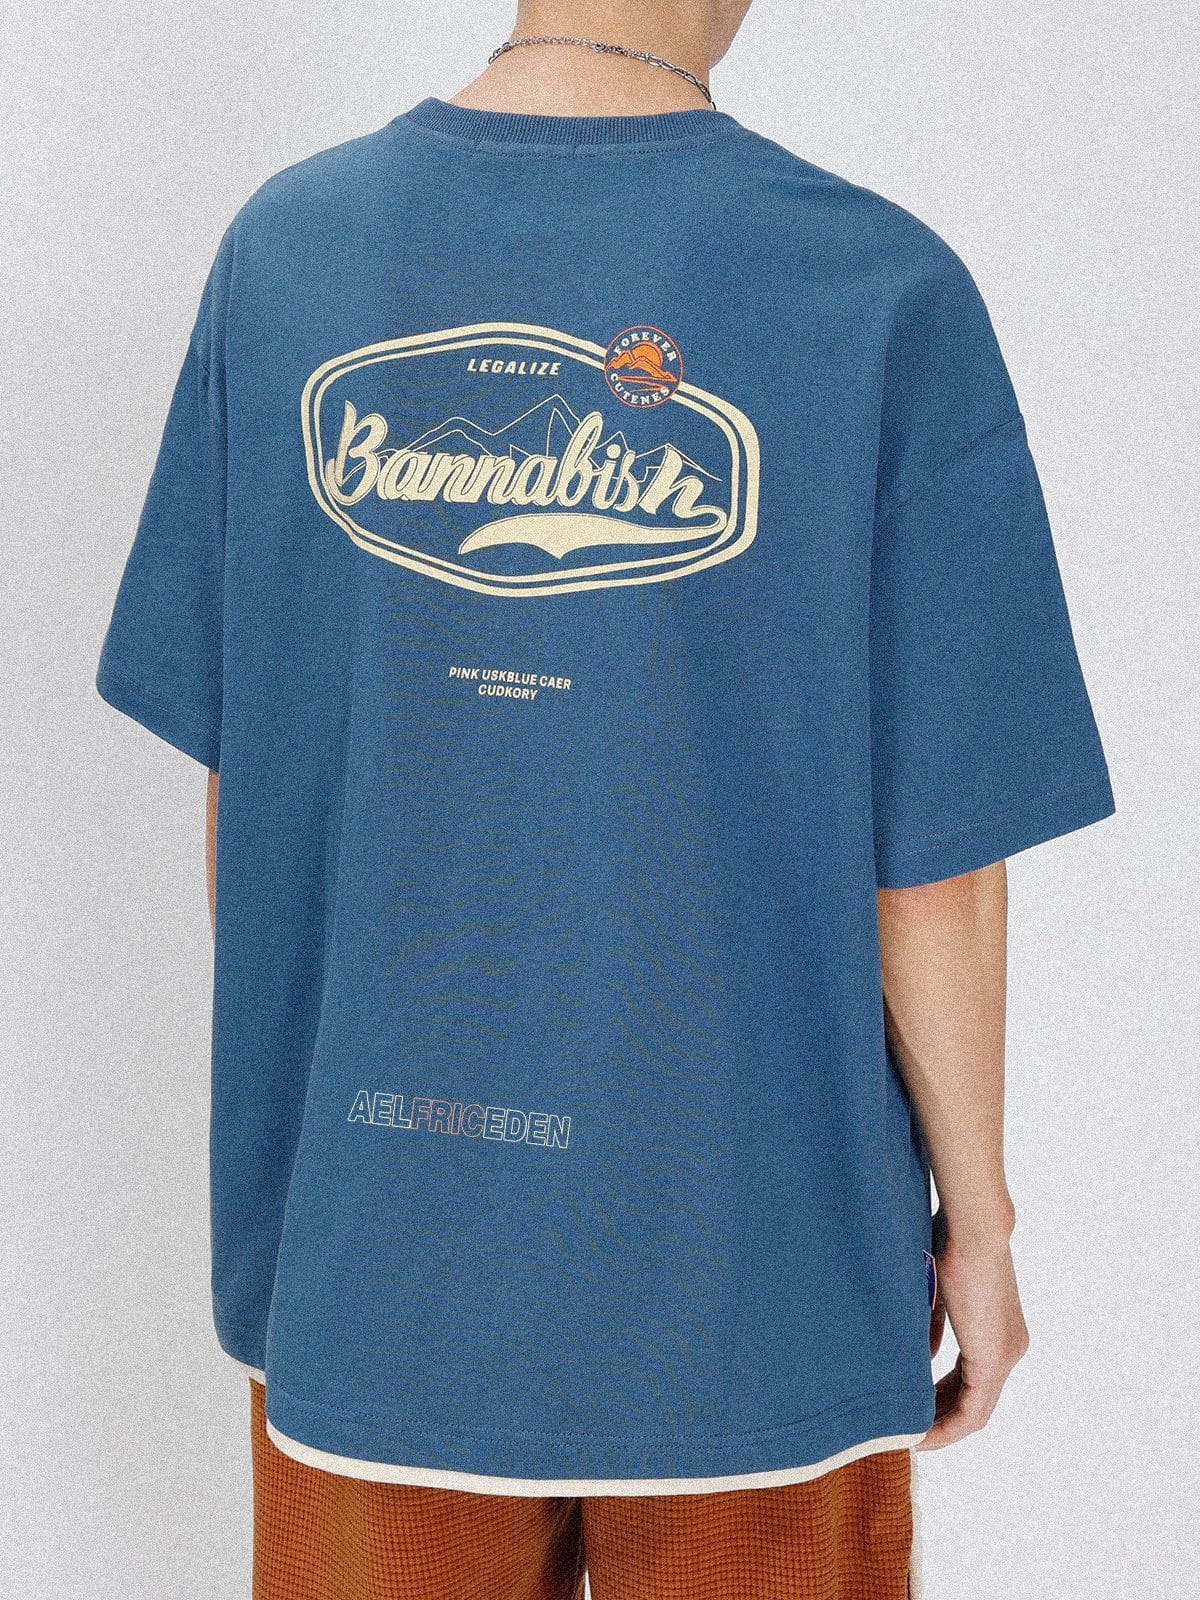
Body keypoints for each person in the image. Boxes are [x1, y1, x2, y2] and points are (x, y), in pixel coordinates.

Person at [95, 1, 1114, 1595]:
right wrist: (979, 1230)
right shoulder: (874, 288)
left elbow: (255, 787)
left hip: (378, 1277)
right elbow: (931, 868)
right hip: (756, 1290)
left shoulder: (285, 256)